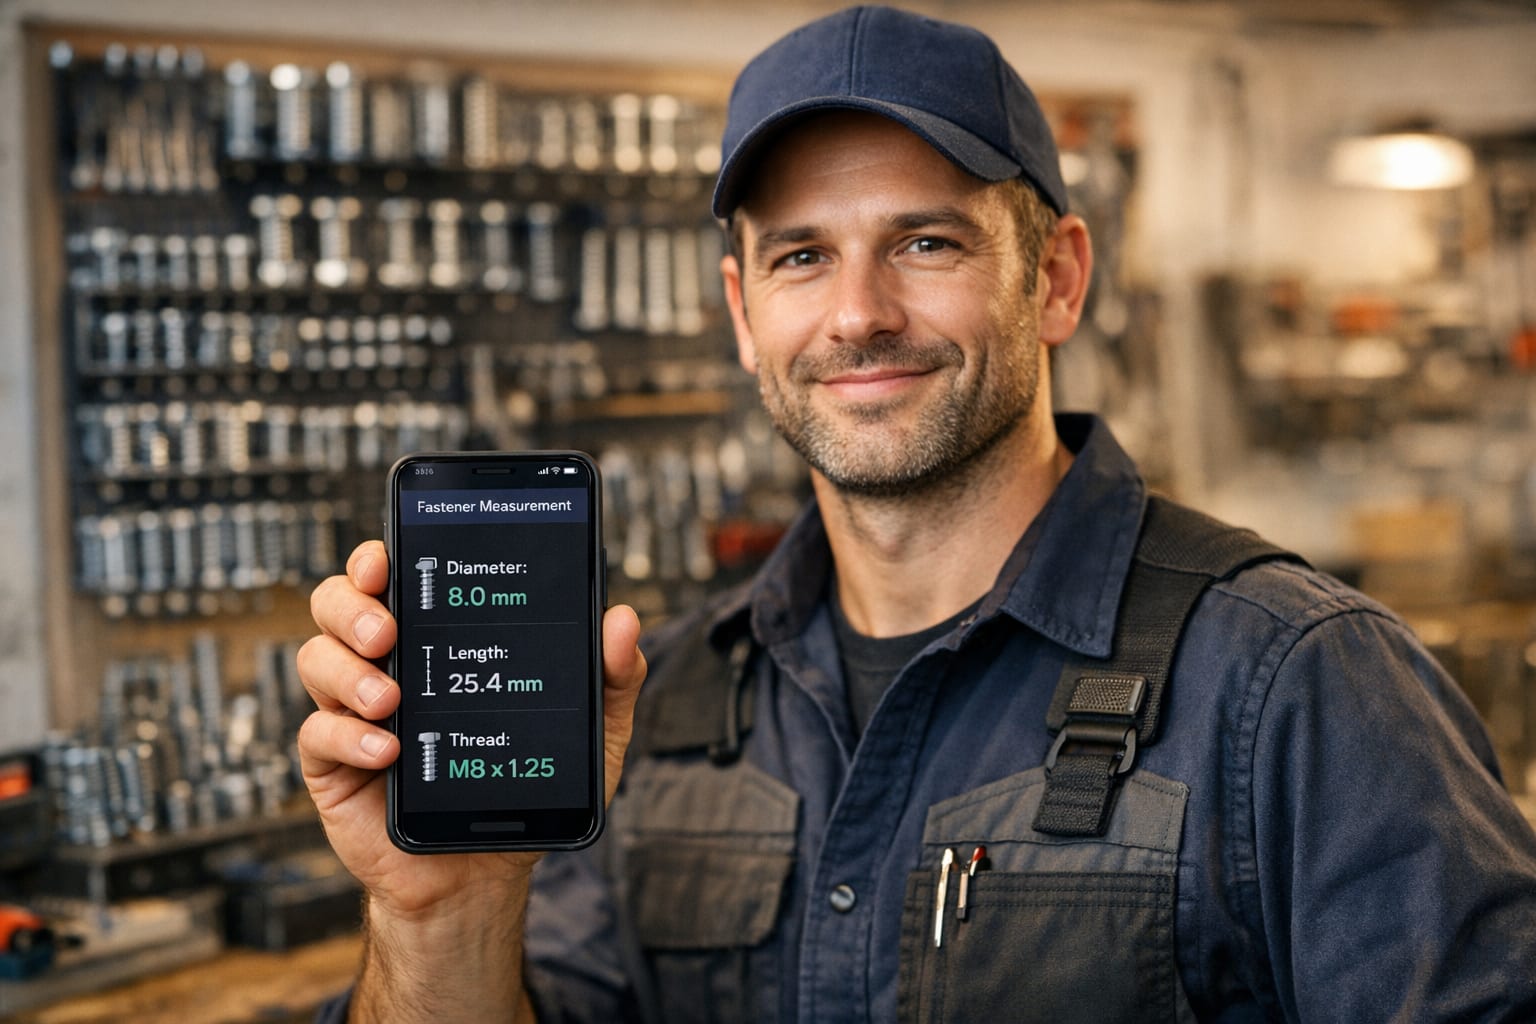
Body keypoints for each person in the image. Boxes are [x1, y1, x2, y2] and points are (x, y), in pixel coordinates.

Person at [299, 6, 1536, 1022]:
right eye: (800, 257)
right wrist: (442, 917)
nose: (858, 313)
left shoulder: (1302, 689)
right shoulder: (660, 709)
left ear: (1055, 278)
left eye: (926, 241)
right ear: (742, 314)